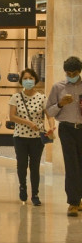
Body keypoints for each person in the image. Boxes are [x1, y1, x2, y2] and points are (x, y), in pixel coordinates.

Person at [10, 69, 55, 206]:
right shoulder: (16, 97)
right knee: (22, 164)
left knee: (35, 166)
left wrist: (52, 126)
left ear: (35, 80)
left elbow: (49, 114)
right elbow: (12, 117)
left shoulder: (42, 97)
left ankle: (35, 194)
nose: (28, 80)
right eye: (25, 78)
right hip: (20, 137)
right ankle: (22, 187)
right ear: (21, 81)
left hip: (37, 137)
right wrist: (29, 123)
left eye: (30, 78)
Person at [46, 56, 82, 217]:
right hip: (67, 129)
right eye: (68, 73)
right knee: (71, 165)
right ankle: (73, 202)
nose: (71, 75)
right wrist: (61, 103)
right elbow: (49, 111)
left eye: (74, 73)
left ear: (79, 72)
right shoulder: (58, 87)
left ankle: (79, 200)